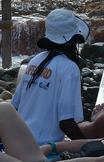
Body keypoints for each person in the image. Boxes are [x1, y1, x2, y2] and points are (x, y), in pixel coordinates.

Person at [11, 8, 89, 145]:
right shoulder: (70, 68)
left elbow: (15, 106)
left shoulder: (35, 61)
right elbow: (65, 123)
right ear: (74, 40)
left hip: (17, 141)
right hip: (42, 148)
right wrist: (88, 147)